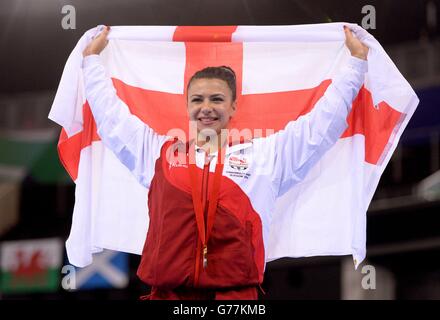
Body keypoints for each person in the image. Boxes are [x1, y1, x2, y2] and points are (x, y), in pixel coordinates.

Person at [81, 25, 369, 300]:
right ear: (187, 106)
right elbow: (112, 119)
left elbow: (318, 128)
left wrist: (356, 64)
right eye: (197, 99)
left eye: (217, 99)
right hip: (169, 296)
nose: (206, 107)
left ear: (233, 107)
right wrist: (92, 61)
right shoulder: (160, 155)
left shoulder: (263, 158)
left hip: (235, 298)